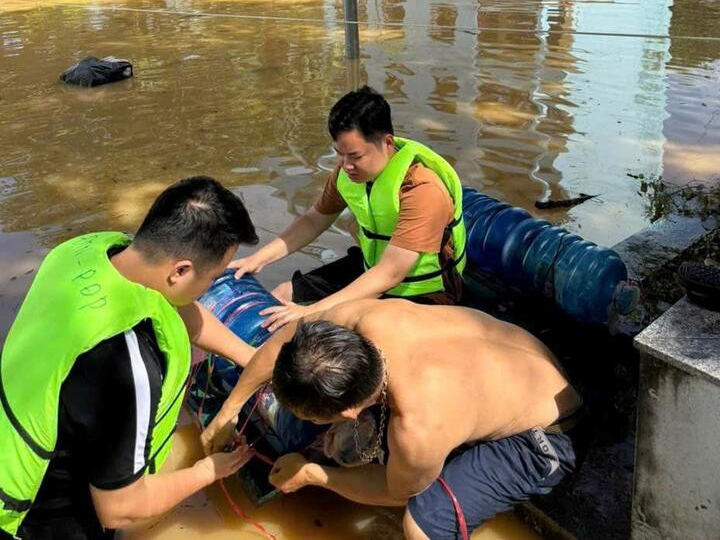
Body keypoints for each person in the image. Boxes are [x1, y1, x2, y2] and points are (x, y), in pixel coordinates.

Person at [0, 176, 259, 540]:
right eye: (212, 277)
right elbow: (120, 508)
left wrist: (251, 356)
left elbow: (175, 307)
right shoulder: (125, 364)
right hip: (42, 520)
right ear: (181, 270)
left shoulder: (85, 253)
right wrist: (208, 472)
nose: (209, 288)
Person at [201, 299, 586, 540]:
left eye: (308, 416)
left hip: (546, 434)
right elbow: (288, 339)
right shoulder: (367, 321)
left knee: (422, 527)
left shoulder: (420, 426)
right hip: (523, 364)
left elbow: (396, 491)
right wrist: (229, 410)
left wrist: (315, 475)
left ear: (350, 412)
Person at [230, 86, 467, 332]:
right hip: (371, 270)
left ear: (387, 143)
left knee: (329, 328)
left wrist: (313, 312)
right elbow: (314, 220)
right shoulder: (345, 173)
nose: (346, 165)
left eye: (355, 156)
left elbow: (391, 272)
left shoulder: (422, 189)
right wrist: (258, 258)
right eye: (339, 154)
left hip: (422, 294)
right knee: (283, 294)